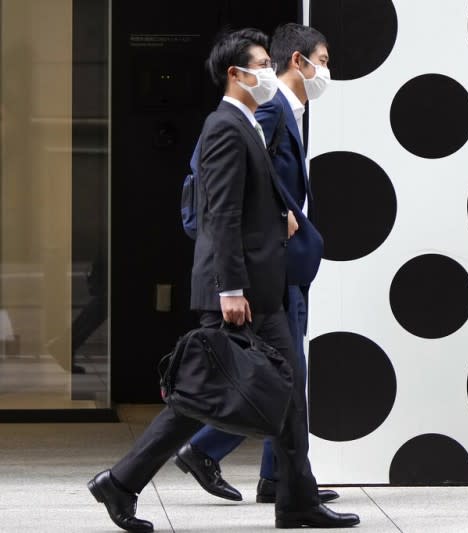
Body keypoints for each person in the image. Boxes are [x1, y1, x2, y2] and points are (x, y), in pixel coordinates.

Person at [86, 28, 359, 531]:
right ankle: (122, 482)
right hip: (238, 291)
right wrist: (229, 289)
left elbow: (248, 200)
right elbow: (220, 215)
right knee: (199, 400)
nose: (266, 74)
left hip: (262, 286)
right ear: (235, 74)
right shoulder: (224, 127)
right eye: (258, 64)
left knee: (289, 388)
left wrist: (280, 215)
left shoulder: (248, 122)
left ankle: (296, 498)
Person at [175, 23, 333, 506]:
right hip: (267, 267)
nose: (327, 71)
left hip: (280, 264)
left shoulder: (286, 112)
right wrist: (275, 214)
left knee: (285, 374)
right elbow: (217, 177)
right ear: (298, 62)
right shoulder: (267, 109)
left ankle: (277, 479)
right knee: (278, 374)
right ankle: (203, 452)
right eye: (323, 61)